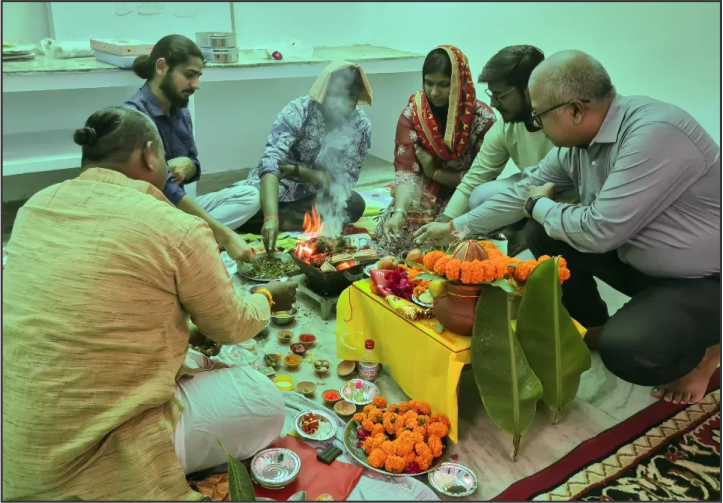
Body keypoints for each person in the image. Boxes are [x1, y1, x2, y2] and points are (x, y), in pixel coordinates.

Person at [2, 106, 298, 500]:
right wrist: (266, 297)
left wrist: (184, 330)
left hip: (15, 438)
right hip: (87, 456)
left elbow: (95, 306)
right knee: (264, 401)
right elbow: (231, 326)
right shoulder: (176, 226)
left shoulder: (36, 206)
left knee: (191, 355)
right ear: (149, 154)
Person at [415, 50, 720, 406]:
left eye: (539, 115)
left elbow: (598, 230)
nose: (536, 125)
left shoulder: (655, 134)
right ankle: (595, 322)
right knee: (541, 233)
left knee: (627, 350)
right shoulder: (576, 145)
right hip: (639, 262)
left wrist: (539, 205)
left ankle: (708, 351)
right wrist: (455, 228)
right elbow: (522, 191)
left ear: (575, 109)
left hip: (701, 278)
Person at [125, 34, 259, 266]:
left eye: (198, 76)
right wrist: (226, 236)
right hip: (152, 218)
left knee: (250, 195)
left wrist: (188, 166)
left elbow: (194, 164)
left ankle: (190, 241)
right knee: (215, 246)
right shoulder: (135, 117)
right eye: (189, 75)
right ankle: (193, 243)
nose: (196, 84)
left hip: (179, 213)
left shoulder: (180, 109)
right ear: (161, 67)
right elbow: (167, 189)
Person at [375, 45, 496, 257]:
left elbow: (480, 180)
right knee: (396, 236)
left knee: (450, 246)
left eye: (443, 84)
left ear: (460, 82)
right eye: (429, 83)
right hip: (423, 189)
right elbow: (406, 171)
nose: (434, 92)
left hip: (464, 193)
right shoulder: (414, 114)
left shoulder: (483, 120)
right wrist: (399, 212)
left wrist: (435, 172)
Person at [241, 60, 373, 252]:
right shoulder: (299, 110)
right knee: (248, 202)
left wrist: (298, 171)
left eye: (350, 96)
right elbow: (270, 162)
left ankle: (279, 221)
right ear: (324, 92)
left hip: (315, 195)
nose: (343, 103)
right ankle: (275, 219)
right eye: (337, 94)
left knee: (354, 204)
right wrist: (270, 216)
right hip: (279, 188)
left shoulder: (360, 126)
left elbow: (344, 181)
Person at [440, 45, 555, 256]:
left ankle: (530, 232)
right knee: (481, 195)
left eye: (500, 95)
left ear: (529, 90)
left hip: (568, 199)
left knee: (530, 254)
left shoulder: (562, 126)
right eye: (491, 94)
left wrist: (534, 229)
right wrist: (444, 226)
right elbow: (476, 177)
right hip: (530, 191)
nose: (493, 103)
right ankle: (521, 228)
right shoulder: (506, 127)